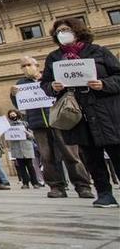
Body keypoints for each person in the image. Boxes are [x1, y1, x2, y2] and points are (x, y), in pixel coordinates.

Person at [41, 18, 120, 208]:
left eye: (66, 29)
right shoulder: (54, 58)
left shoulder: (98, 51)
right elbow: (44, 84)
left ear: (77, 31)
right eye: (59, 31)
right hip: (77, 113)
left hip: (105, 112)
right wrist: (52, 86)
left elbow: (118, 76)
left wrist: (104, 84)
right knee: (91, 157)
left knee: (117, 153)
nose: (62, 33)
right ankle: (104, 194)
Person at [12, 55, 93, 199]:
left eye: (29, 64)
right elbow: (20, 107)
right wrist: (14, 96)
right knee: (47, 157)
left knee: (71, 155)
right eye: (23, 66)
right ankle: (56, 187)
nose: (26, 68)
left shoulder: (50, 79)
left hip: (60, 121)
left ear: (37, 65)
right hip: (39, 125)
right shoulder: (21, 84)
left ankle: (83, 186)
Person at [5, 109, 39, 189]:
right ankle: (25, 183)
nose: (13, 116)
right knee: (21, 167)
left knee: (30, 166)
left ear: (17, 115)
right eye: (11, 115)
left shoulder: (25, 124)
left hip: (26, 147)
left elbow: (32, 136)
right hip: (16, 148)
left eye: (14, 115)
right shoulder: (8, 126)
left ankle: (35, 183)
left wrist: (27, 133)